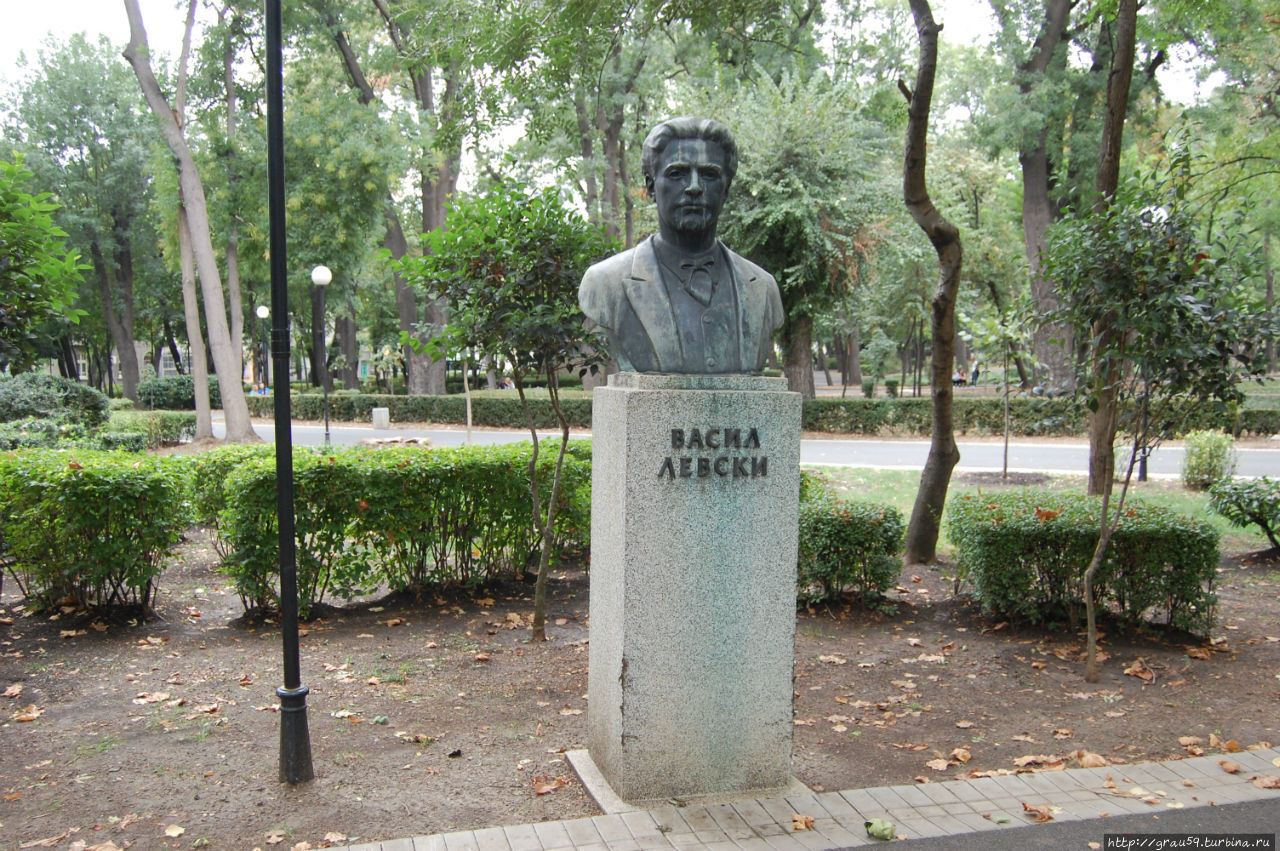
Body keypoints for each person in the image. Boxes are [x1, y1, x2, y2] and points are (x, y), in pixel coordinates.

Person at [579, 117, 784, 374]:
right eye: (677, 174)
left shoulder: (763, 288)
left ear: (726, 189)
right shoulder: (605, 283)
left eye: (709, 175)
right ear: (651, 186)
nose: (695, 187)